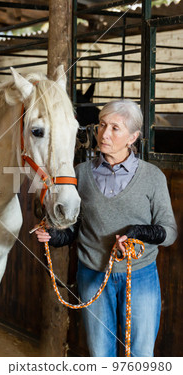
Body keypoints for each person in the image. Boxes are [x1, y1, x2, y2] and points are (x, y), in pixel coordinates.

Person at [34, 99, 177, 357]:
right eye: (101, 125)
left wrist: (138, 232)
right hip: (92, 275)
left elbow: (169, 232)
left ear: (132, 137)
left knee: (141, 354)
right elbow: (74, 229)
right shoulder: (81, 174)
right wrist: (54, 236)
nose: (104, 134)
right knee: (100, 354)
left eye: (115, 128)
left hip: (140, 276)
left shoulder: (152, 177)